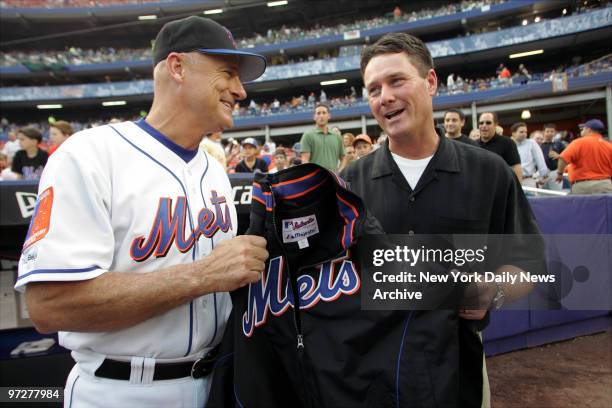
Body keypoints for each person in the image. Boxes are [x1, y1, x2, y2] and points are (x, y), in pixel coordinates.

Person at [15, 16, 269, 408]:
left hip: (216, 384)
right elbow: (49, 305)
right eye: (228, 73)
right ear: (177, 67)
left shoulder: (216, 172)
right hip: (120, 389)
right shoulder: (90, 155)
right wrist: (203, 276)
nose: (240, 90)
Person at [340, 32, 542, 407]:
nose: (384, 96)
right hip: (371, 368)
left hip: (460, 362)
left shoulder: (490, 172)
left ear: (430, 82)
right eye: (373, 89)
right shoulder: (350, 184)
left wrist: (493, 290)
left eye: (396, 80)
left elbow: (530, 266)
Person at [555, 119, 612, 194]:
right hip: (604, 185)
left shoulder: (578, 143)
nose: (581, 130)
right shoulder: (608, 145)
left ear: (589, 129)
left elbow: (563, 159)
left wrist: (559, 174)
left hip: (582, 187)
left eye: (583, 128)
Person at [299, 103, 346, 171]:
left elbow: (343, 158)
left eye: (324, 113)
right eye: (318, 113)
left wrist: (339, 172)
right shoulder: (307, 136)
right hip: (316, 179)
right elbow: (305, 160)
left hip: (333, 179)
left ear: (329, 116)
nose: (321, 115)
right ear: (314, 117)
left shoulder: (337, 137)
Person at [478, 111, 522, 181]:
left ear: (496, 125)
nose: (484, 125)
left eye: (488, 123)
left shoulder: (507, 143)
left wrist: (517, 189)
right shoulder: (473, 144)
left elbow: (516, 168)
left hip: (501, 188)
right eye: (481, 123)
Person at [510, 122, 549, 188]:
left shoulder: (531, 143)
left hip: (528, 180)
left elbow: (539, 159)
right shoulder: (508, 145)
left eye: (525, 132)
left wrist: (543, 176)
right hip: (512, 181)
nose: (524, 134)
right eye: (521, 132)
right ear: (513, 133)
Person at [540, 123, 565, 190]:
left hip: (555, 171)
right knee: (543, 194)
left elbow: (567, 156)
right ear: (543, 132)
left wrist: (559, 156)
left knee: (556, 193)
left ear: (555, 132)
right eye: (547, 131)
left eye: (552, 131)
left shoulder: (559, 143)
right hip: (543, 173)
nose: (549, 133)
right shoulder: (539, 144)